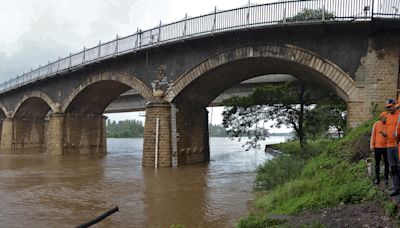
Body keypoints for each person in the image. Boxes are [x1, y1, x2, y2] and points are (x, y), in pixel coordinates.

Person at [385, 98, 400, 196]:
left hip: (397, 145)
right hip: (389, 146)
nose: (389, 109)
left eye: (390, 107)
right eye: (387, 108)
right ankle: (396, 188)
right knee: (393, 167)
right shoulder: (388, 117)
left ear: (394, 105)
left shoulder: (399, 116)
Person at [370, 112, 389, 185]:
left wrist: (386, 135)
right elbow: (373, 135)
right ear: (381, 117)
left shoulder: (388, 124)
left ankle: (386, 179)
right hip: (377, 147)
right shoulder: (376, 124)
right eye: (385, 117)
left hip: (386, 147)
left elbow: (390, 134)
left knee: (387, 163)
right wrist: (372, 145)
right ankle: (377, 179)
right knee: (377, 164)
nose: (386, 119)